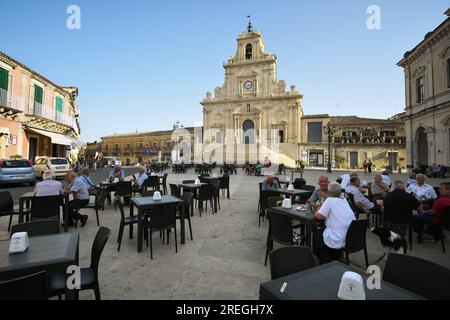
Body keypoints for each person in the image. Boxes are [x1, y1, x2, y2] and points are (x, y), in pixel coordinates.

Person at [315, 182, 356, 264]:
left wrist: (318, 208)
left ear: (329, 192)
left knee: (317, 233)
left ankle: (324, 261)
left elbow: (319, 216)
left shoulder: (329, 201)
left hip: (337, 238)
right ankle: (335, 256)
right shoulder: (344, 201)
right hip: (350, 237)